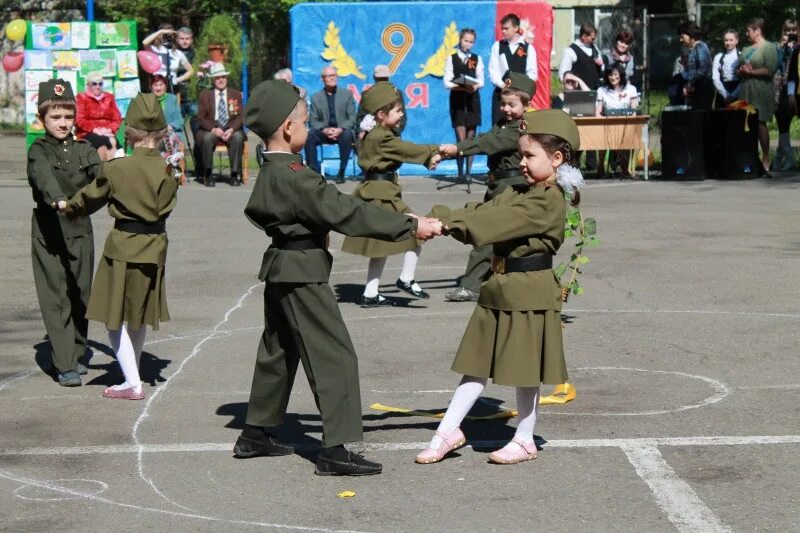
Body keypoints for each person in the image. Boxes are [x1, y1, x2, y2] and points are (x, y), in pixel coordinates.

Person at [232, 80, 442, 476]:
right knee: (335, 356)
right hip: (303, 273)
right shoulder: (297, 175)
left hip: (282, 267)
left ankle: (256, 433)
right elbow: (348, 213)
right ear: (288, 129)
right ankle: (334, 449)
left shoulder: (274, 170)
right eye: (305, 120)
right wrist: (409, 226)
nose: (308, 126)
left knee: (278, 351)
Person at [415, 109, 583, 465]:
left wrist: (444, 224)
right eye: (520, 154)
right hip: (500, 287)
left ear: (556, 159)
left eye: (529, 155)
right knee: (475, 364)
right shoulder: (521, 190)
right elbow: (482, 208)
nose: (521, 162)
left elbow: (495, 221)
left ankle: (525, 438)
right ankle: (448, 431)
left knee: (526, 370)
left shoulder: (547, 200)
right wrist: (437, 217)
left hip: (529, 290)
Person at [61, 93, 178, 400]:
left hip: (123, 247)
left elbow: (89, 198)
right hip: (155, 247)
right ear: (163, 133)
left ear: (131, 131)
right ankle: (133, 373)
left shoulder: (117, 168)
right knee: (136, 314)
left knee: (114, 318)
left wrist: (67, 208)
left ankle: (133, 383)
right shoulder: (170, 170)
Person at [27, 79, 102, 387]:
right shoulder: (39, 150)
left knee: (81, 295)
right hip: (49, 232)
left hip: (80, 229)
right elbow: (43, 177)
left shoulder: (85, 150)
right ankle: (65, 362)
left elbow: (103, 177)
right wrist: (58, 199)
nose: (62, 123)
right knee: (56, 297)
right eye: (55, 117)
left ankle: (77, 349)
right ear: (42, 118)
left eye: (67, 116)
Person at [341, 82, 442, 307]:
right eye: (397, 110)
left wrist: (428, 157)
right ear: (381, 114)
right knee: (417, 229)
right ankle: (406, 278)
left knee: (381, 245)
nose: (401, 114)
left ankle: (370, 292)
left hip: (379, 192)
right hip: (381, 195)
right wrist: (434, 152)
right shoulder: (381, 137)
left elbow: (402, 150)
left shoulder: (377, 133)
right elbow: (407, 150)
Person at [438, 73, 534, 303]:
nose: (506, 109)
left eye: (512, 104)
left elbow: (487, 143)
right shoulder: (503, 124)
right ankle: (497, 279)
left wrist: (457, 149)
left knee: (486, 233)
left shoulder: (520, 128)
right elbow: (486, 137)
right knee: (501, 237)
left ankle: (471, 285)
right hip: (497, 185)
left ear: (526, 105)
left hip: (512, 187)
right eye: (503, 104)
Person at [559, 22, 602, 172]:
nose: (593, 41)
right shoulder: (571, 51)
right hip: (578, 98)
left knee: (593, 130)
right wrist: (572, 84)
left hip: (594, 94)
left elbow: (600, 69)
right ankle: (574, 162)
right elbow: (563, 73)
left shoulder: (594, 49)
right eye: (591, 38)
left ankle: (592, 164)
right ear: (583, 36)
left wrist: (600, 65)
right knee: (579, 130)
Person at [738, 18, 778, 174]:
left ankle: (766, 157)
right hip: (745, 90)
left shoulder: (769, 47)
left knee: (760, 123)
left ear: (758, 31)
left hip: (761, 91)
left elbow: (770, 70)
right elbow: (739, 68)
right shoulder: (746, 48)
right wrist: (741, 71)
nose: (747, 33)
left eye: (749, 30)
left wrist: (751, 72)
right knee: (746, 124)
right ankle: (750, 158)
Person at [444, 28, 485, 183]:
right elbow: (447, 81)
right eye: (465, 40)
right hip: (457, 99)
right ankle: (460, 171)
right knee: (461, 138)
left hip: (472, 100)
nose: (468, 44)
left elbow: (481, 80)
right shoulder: (452, 58)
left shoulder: (476, 58)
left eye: (471, 41)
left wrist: (475, 85)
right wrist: (459, 85)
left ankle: (469, 171)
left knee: (471, 137)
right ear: (460, 40)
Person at [305, 66, 357, 184]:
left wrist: (340, 129)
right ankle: (314, 172)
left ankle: (342, 171)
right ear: (323, 79)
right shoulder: (316, 98)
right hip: (325, 131)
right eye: (329, 76)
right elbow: (313, 120)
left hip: (342, 131)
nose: (333, 78)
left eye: (334, 75)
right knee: (310, 135)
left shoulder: (347, 94)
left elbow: (352, 117)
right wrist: (324, 129)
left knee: (347, 134)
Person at [195, 62, 245, 187]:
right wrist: (213, 129)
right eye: (217, 77)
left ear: (226, 78)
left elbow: (240, 116)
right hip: (212, 127)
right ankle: (209, 174)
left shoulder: (235, 94)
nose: (221, 80)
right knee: (206, 138)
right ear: (213, 79)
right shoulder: (205, 94)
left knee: (238, 137)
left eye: (223, 77)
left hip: (230, 127)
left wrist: (232, 129)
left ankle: (234, 174)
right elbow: (200, 118)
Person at [488, 13, 537, 123]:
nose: (503, 31)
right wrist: (504, 86)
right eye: (502, 29)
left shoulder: (528, 48)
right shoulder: (497, 46)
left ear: (516, 28)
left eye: (506, 28)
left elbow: (532, 74)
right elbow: (493, 72)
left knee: (519, 129)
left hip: (520, 98)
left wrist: (519, 88)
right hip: (501, 95)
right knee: (499, 129)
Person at [595, 64, 639, 177]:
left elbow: (633, 110)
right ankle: (601, 167)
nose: (612, 77)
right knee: (601, 136)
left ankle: (624, 168)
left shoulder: (631, 89)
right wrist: (600, 119)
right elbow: (598, 111)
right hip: (607, 124)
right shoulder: (602, 90)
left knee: (623, 137)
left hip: (625, 124)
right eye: (610, 75)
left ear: (621, 75)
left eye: (615, 74)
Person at [75, 72, 122, 161]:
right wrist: (95, 130)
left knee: (112, 142)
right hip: (88, 132)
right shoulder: (81, 98)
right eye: (94, 84)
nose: (98, 87)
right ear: (88, 85)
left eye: (100, 84)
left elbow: (117, 118)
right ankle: (101, 170)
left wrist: (108, 129)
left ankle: (110, 171)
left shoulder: (109, 97)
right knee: (102, 143)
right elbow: (79, 119)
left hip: (107, 132)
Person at [773, 20, 799, 171]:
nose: (790, 34)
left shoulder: (798, 47)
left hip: (792, 90)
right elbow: (774, 65)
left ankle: (783, 158)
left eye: (793, 30)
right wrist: (783, 47)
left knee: (785, 124)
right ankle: (783, 158)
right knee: (782, 123)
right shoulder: (778, 47)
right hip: (778, 90)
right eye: (787, 31)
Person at [356, 65, 407, 141]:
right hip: (388, 135)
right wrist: (395, 132)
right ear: (388, 77)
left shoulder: (366, 94)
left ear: (374, 77)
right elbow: (402, 117)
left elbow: (360, 117)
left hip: (372, 135)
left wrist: (362, 132)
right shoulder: (397, 93)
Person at [142, 24, 194, 94]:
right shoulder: (153, 50)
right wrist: (161, 32)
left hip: (172, 88)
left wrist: (177, 80)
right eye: (165, 35)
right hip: (157, 88)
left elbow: (190, 71)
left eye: (169, 35)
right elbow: (145, 42)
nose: (166, 37)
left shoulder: (177, 53)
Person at [150, 74, 184, 168]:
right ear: (151, 87)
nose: (158, 88)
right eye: (155, 85)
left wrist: (171, 126)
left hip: (171, 132)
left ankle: (171, 170)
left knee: (168, 139)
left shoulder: (172, 99)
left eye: (161, 85)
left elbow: (179, 120)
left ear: (165, 86)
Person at [677, 22, 713, 109]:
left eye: (682, 37)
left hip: (703, 88)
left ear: (691, 35)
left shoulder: (700, 47)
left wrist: (690, 83)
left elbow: (702, 70)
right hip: (696, 87)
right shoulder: (693, 49)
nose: (681, 40)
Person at [711, 29, 741, 108]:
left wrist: (734, 95)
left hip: (738, 91)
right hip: (722, 92)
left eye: (731, 40)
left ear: (737, 40)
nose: (728, 43)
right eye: (726, 40)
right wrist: (726, 95)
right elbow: (715, 79)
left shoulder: (741, 56)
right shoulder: (718, 57)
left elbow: (745, 79)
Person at [174, 26, 196, 117]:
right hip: (176, 93)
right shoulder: (172, 53)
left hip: (192, 95)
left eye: (187, 39)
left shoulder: (196, 53)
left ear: (191, 40)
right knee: (177, 122)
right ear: (177, 39)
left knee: (196, 120)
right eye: (182, 38)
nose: (185, 41)